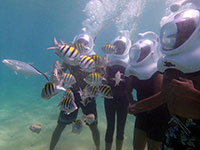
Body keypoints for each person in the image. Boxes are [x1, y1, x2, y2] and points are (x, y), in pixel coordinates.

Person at [128, 1, 200, 149]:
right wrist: (138, 107)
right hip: (174, 125)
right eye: (177, 31)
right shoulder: (170, 66)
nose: (178, 36)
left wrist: (192, 94)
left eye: (185, 31)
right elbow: (163, 96)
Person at [49, 29, 100, 150]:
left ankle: (98, 148)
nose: (83, 46)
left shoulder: (92, 59)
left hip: (88, 96)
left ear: (89, 45)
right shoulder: (69, 58)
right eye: (80, 43)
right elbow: (61, 71)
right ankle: (50, 148)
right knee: (60, 125)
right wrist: (56, 73)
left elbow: (98, 77)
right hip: (72, 95)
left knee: (93, 125)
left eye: (85, 43)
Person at [125, 31, 170, 150]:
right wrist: (132, 102)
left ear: (151, 53)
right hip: (142, 113)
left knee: (153, 147)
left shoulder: (156, 71)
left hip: (158, 115)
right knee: (137, 146)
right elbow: (128, 90)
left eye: (144, 52)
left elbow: (160, 96)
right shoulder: (133, 71)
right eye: (138, 52)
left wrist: (138, 106)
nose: (140, 55)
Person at [103, 31, 132, 150]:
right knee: (110, 127)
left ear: (127, 47)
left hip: (124, 98)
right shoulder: (108, 59)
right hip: (109, 97)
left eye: (122, 45)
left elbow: (132, 80)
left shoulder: (131, 60)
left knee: (121, 128)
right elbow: (103, 78)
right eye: (117, 45)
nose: (119, 48)